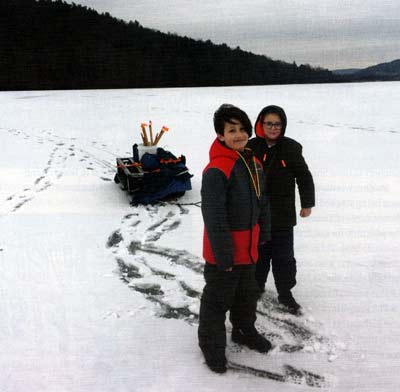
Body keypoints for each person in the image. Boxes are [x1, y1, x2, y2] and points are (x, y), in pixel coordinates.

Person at [198, 104, 272, 374]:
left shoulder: (254, 163)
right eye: (232, 130)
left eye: (243, 129)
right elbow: (214, 217)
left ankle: (243, 330)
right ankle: (211, 347)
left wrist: (264, 232)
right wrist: (224, 255)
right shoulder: (217, 169)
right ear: (220, 135)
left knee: (246, 296)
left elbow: (263, 202)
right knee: (217, 302)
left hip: (249, 249)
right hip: (224, 253)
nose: (239, 134)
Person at [247, 105, 315, 314]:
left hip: (283, 215)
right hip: (257, 214)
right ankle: (255, 288)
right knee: (259, 256)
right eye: (269, 123)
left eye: (278, 124)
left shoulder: (291, 148)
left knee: (283, 257)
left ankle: (285, 293)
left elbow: (304, 177)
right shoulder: (250, 147)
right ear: (261, 124)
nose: (273, 128)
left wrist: (307, 204)